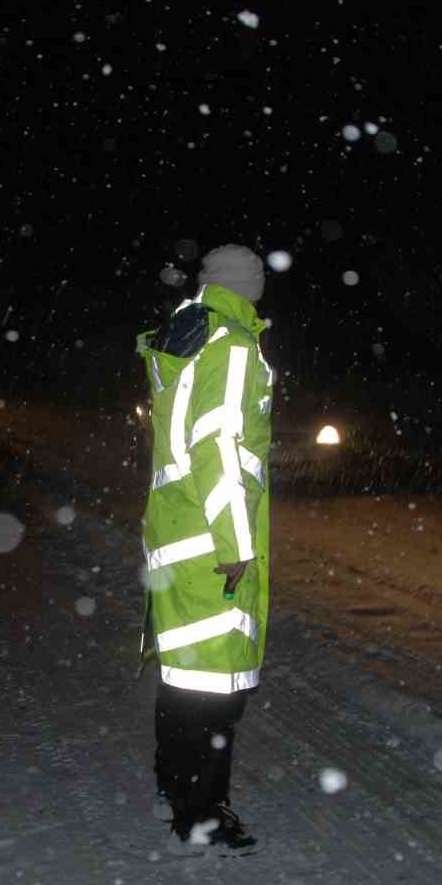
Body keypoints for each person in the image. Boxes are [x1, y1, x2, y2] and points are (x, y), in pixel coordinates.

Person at [135, 244, 274, 851]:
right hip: (213, 538)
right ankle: (202, 814)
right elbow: (217, 448)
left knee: (184, 677)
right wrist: (237, 544)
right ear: (249, 285)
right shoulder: (234, 345)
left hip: (176, 531)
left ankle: (174, 786)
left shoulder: (189, 335)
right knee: (217, 692)